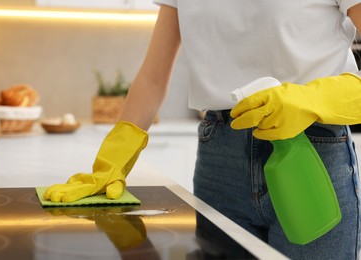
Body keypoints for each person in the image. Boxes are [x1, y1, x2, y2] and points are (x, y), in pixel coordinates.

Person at [44, 1, 361, 258]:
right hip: (220, 157)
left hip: (312, 154)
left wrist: (308, 99)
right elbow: (153, 77)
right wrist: (115, 156)